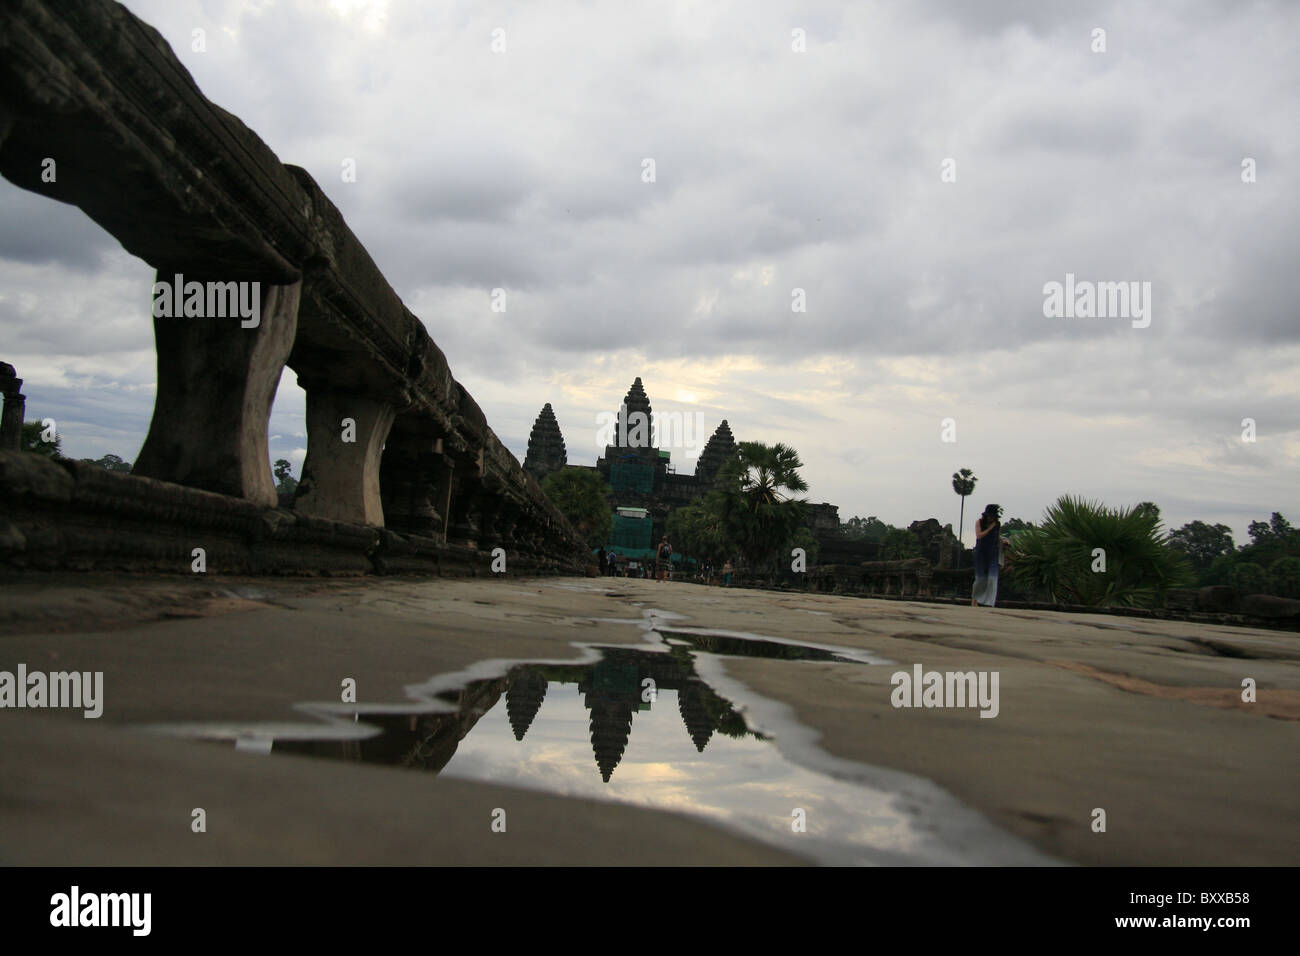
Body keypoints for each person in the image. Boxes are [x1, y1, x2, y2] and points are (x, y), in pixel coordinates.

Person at [972, 503, 1002, 607]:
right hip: (981, 552)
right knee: (981, 579)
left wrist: (1005, 542)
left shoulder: (997, 524)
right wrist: (989, 529)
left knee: (993, 579)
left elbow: (998, 538)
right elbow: (979, 536)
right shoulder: (979, 522)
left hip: (993, 552)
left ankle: (989, 603)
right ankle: (975, 601)